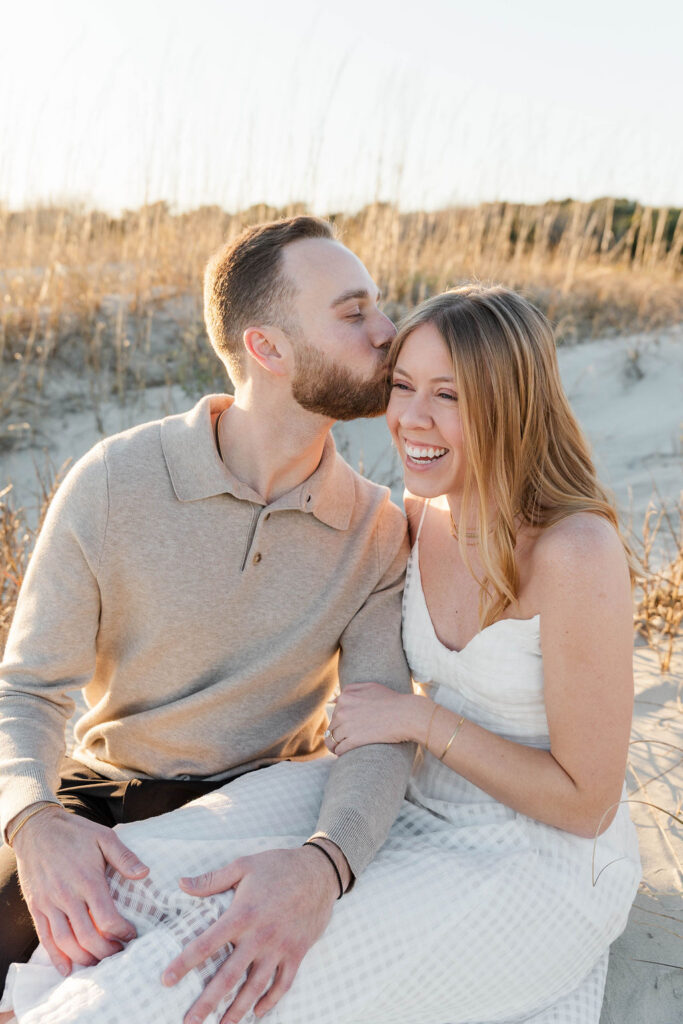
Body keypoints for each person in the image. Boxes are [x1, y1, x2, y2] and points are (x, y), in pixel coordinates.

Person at [1, 285, 641, 1024]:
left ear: (511, 404)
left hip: (534, 856)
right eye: (402, 385)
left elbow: (587, 804)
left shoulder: (574, 551)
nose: (411, 418)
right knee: (114, 899)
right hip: (410, 797)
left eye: (449, 396)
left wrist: (420, 723)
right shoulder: (411, 520)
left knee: (206, 974)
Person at [0, 216, 416, 1023]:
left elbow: (379, 728)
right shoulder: (115, 481)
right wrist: (33, 821)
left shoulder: (377, 531)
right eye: (354, 311)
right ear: (267, 348)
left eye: (378, 307)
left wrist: (324, 865)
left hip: (260, 807)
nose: (387, 330)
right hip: (104, 796)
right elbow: (28, 690)